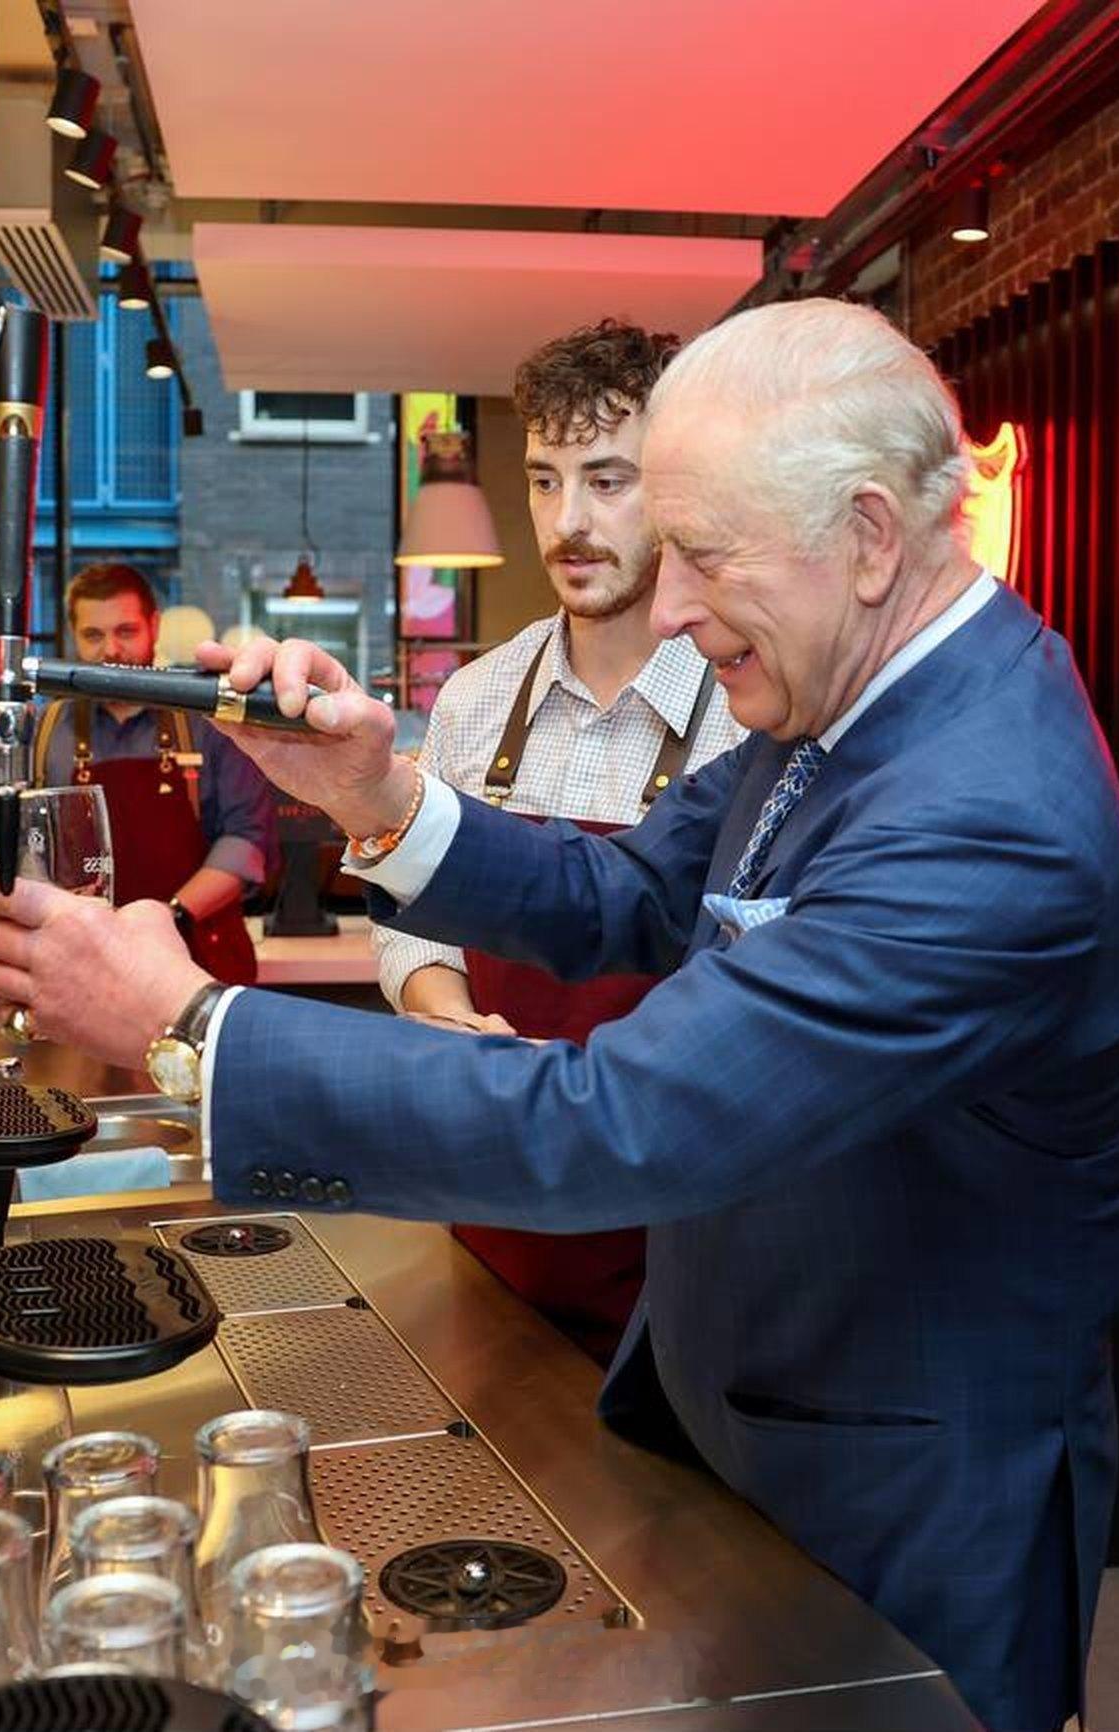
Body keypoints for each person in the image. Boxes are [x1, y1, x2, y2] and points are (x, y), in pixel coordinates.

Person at [0, 299, 1119, 1732]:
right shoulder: (842, 704)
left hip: (899, 1497)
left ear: (868, 536)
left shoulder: (982, 812)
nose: (672, 608)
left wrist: (192, 1023)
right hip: (745, 1423)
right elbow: (618, 893)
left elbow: (624, 1122)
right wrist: (376, 794)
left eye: (704, 554)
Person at [378, 319, 744, 1361]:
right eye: (545, 481)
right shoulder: (473, 699)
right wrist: (448, 1018)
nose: (568, 521)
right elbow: (414, 923)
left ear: (677, 490)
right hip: (493, 1206)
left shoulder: (745, 707)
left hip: (676, 1233)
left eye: (607, 481)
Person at [31, 562, 274, 984]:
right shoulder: (47, 730)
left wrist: (168, 917)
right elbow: (32, 848)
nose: (110, 650)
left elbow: (247, 840)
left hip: (196, 957)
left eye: (126, 631)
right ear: (74, 635)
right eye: (93, 635)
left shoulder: (209, 721)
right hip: (82, 963)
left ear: (154, 627)